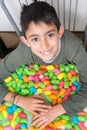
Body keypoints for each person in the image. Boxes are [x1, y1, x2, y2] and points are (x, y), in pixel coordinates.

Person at [0, 1, 87, 129]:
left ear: (60, 31)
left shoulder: (75, 49)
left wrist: (56, 111)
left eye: (50, 35)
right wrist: (19, 100)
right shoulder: (23, 52)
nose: (44, 46)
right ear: (25, 41)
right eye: (35, 39)